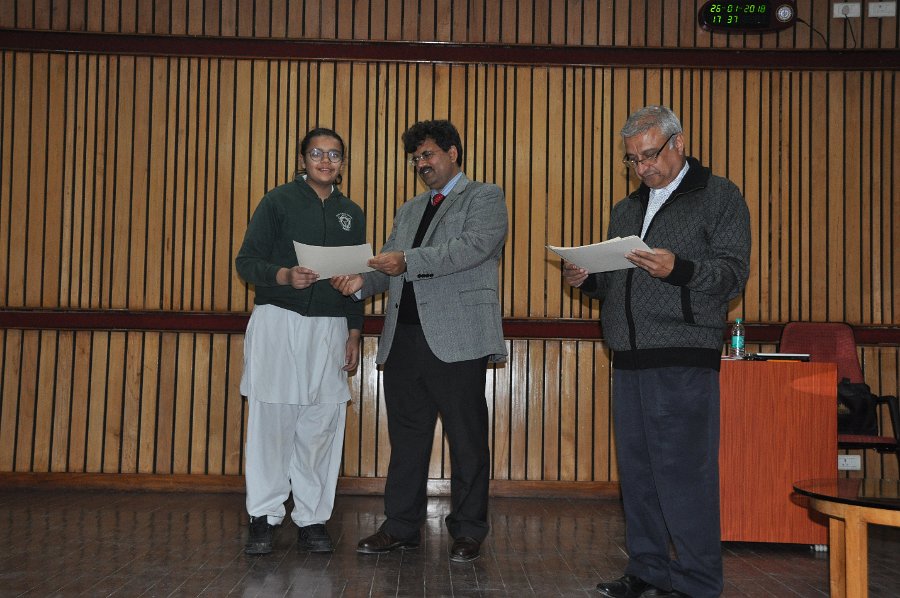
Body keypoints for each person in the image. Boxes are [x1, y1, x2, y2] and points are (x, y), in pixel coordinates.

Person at [563, 105, 750, 598]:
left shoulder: (719, 196)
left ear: (678, 143)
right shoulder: (627, 209)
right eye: (633, 159)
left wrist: (678, 269)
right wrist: (587, 279)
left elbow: (732, 275)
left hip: (682, 352)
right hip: (628, 357)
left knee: (684, 474)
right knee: (639, 475)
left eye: (649, 155)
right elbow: (617, 285)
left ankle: (699, 580)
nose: (642, 167)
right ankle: (647, 570)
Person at [331, 119, 508, 563]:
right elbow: (387, 264)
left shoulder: (484, 197)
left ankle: (468, 530)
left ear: (453, 152)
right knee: (407, 439)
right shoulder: (409, 209)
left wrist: (407, 260)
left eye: (427, 154)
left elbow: (473, 247)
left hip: (457, 338)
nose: (421, 164)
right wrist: (361, 282)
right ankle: (401, 526)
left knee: (466, 439)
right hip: (404, 339)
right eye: (415, 159)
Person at [235, 127, 365, 556]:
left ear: (343, 164)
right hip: (279, 321)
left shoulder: (352, 213)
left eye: (334, 155)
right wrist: (284, 275)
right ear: (302, 159)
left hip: (330, 327)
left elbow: (357, 279)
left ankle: (312, 518)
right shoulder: (277, 202)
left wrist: (354, 330)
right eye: (317, 153)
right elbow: (246, 261)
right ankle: (264, 516)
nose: (326, 161)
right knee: (272, 424)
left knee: (321, 426)